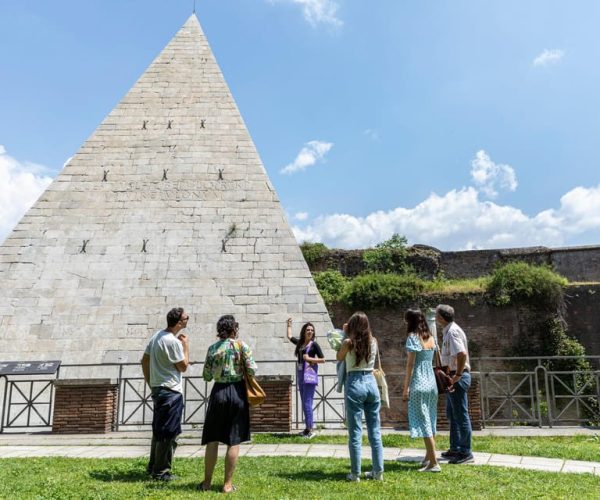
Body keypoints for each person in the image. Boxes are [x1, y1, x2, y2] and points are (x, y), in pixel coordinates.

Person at [200, 315, 257, 494]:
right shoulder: (242, 346)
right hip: (237, 392)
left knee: (212, 439)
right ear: (234, 329)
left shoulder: (213, 349)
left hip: (218, 393)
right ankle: (227, 485)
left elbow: (207, 376)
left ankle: (207, 483)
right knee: (234, 440)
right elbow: (252, 369)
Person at [141, 307, 190, 481]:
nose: (187, 320)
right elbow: (183, 366)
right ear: (179, 322)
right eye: (186, 318)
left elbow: (144, 360)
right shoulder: (173, 341)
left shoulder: (156, 337)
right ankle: (161, 472)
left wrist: (150, 381)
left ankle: (153, 466)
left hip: (158, 389)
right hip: (171, 391)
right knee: (169, 432)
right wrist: (185, 346)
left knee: (159, 430)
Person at [336, 311, 384, 481]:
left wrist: (344, 333)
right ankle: (378, 472)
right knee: (375, 431)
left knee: (355, 432)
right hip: (371, 383)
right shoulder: (374, 341)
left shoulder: (348, 342)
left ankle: (355, 474)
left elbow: (338, 356)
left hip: (354, 382)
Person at [402, 308, 440, 472]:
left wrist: (405, 388)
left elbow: (410, 365)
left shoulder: (413, 338)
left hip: (419, 382)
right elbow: (436, 359)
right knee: (430, 420)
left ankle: (434, 463)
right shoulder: (431, 337)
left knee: (424, 422)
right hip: (432, 383)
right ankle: (428, 457)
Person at [436, 304, 474, 464]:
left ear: (441, 318)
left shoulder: (452, 332)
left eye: (436, 315)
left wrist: (457, 375)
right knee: (452, 414)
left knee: (460, 415)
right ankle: (455, 448)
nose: (435, 318)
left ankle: (466, 452)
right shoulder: (449, 331)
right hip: (452, 376)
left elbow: (461, 354)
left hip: (457, 377)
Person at [286, 318, 325, 438]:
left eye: (312, 330)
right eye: (308, 330)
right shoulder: (300, 344)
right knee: (304, 402)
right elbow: (290, 336)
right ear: (304, 332)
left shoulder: (314, 345)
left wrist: (309, 359)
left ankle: (311, 429)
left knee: (308, 403)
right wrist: (288, 325)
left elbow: (323, 359)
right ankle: (307, 429)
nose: (310, 332)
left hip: (309, 376)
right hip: (300, 374)